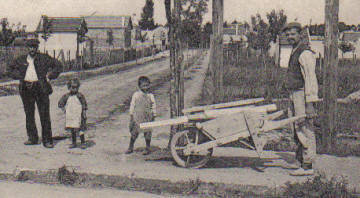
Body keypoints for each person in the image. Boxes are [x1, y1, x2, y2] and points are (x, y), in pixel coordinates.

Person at [7, 39, 62, 148]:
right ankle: (32, 138)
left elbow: (58, 66)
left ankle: (47, 140)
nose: (32, 49)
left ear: (37, 48)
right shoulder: (21, 60)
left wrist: (50, 75)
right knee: (29, 114)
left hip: (41, 88)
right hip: (26, 89)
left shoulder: (44, 58)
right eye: (30, 47)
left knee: (44, 114)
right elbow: (9, 70)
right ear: (27, 48)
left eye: (34, 47)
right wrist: (20, 76)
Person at [283, 22, 319, 176]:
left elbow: (311, 79)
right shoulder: (295, 50)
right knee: (295, 127)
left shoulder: (305, 53)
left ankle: (308, 165)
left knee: (304, 128)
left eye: (293, 34)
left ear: (300, 35)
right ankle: (301, 160)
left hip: (301, 94)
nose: (290, 37)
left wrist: (310, 104)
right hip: (293, 93)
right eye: (288, 34)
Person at [126, 76, 156, 155]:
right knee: (134, 133)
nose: (146, 88)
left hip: (147, 117)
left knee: (147, 133)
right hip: (137, 117)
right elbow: (132, 104)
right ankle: (130, 147)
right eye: (143, 86)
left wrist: (154, 114)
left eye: (147, 85)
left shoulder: (150, 95)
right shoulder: (136, 95)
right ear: (139, 86)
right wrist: (131, 114)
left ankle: (147, 147)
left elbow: (153, 105)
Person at [58, 78, 88, 149]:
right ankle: (74, 143)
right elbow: (60, 103)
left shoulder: (80, 96)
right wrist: (64, 110)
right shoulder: (66, 96)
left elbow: (84, 104)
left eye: (76, 87)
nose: (75, 89)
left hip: (78, 115)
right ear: (69, 87)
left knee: (80, 129)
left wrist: (84, 113)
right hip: (71, 116)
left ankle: (83, 142)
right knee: (72, 129)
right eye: (73, 87)